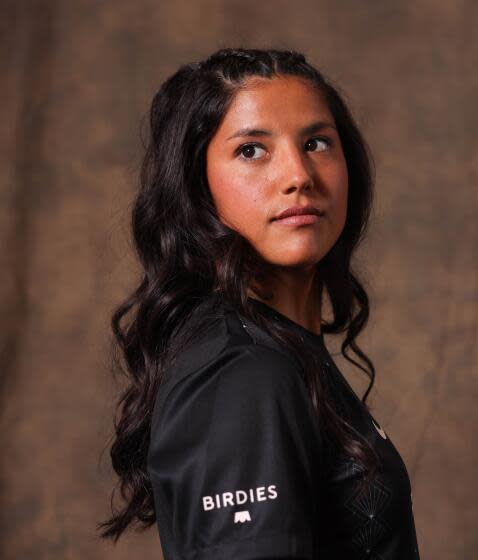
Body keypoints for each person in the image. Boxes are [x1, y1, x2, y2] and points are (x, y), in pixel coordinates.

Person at [98, 47, 421, 559]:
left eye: (317, 142)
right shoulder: (242, 371)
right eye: (252, 150)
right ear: (196, 185)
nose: (299, 175)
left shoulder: (282, 350)